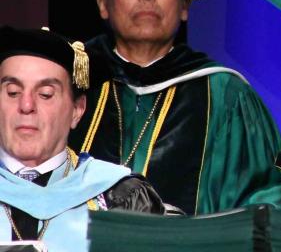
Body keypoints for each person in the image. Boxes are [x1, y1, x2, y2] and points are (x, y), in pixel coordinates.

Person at [69, 0, 281, 215]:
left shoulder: (223, 95)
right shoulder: (68, 82)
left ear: (185, 5)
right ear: (103, 2)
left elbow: (267, 200)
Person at [0, 26, 164, 250]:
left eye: (45, 94)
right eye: (13, 92)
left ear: (77, 110)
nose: (26, 106)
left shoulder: (118, 197)